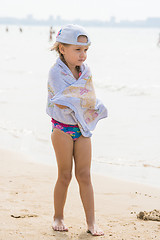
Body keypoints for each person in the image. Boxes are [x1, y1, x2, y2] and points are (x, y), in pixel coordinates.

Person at [46, 24, 107, 236]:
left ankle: (91, 223)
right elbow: (62, 101)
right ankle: (58, 216)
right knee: (64, 175)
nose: (83, 55)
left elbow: (86, 96)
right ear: (62, 49)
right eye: (78, 49)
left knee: (85, 175)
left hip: (82, 128)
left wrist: (88, 102)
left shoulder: (86, 71)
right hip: (62, 129)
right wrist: (81, 100)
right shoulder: (55, 72)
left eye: (86, 50)